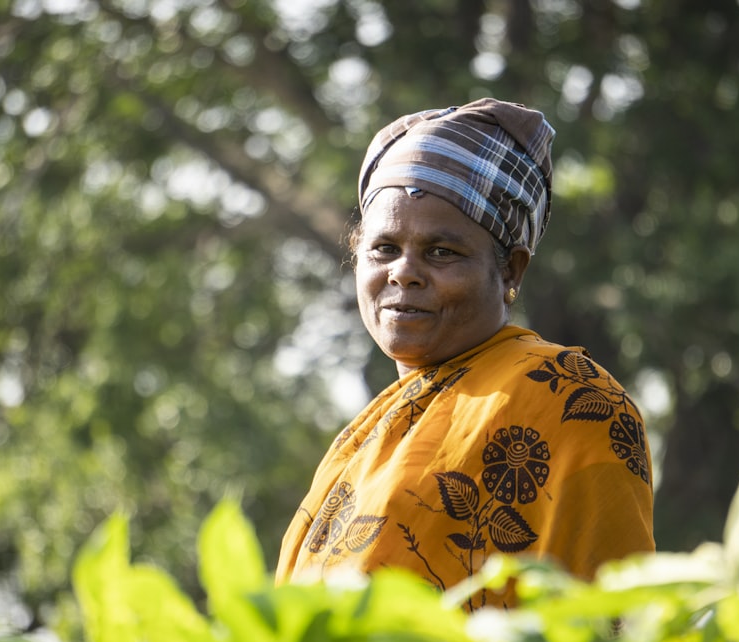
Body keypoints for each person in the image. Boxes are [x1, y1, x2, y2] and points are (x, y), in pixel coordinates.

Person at [275, 98, 654, 609]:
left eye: (441, 252)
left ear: (512, 271)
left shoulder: (566, 397)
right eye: (384, 248)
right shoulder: (365, 439)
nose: (403, 272)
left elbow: (612, 621)